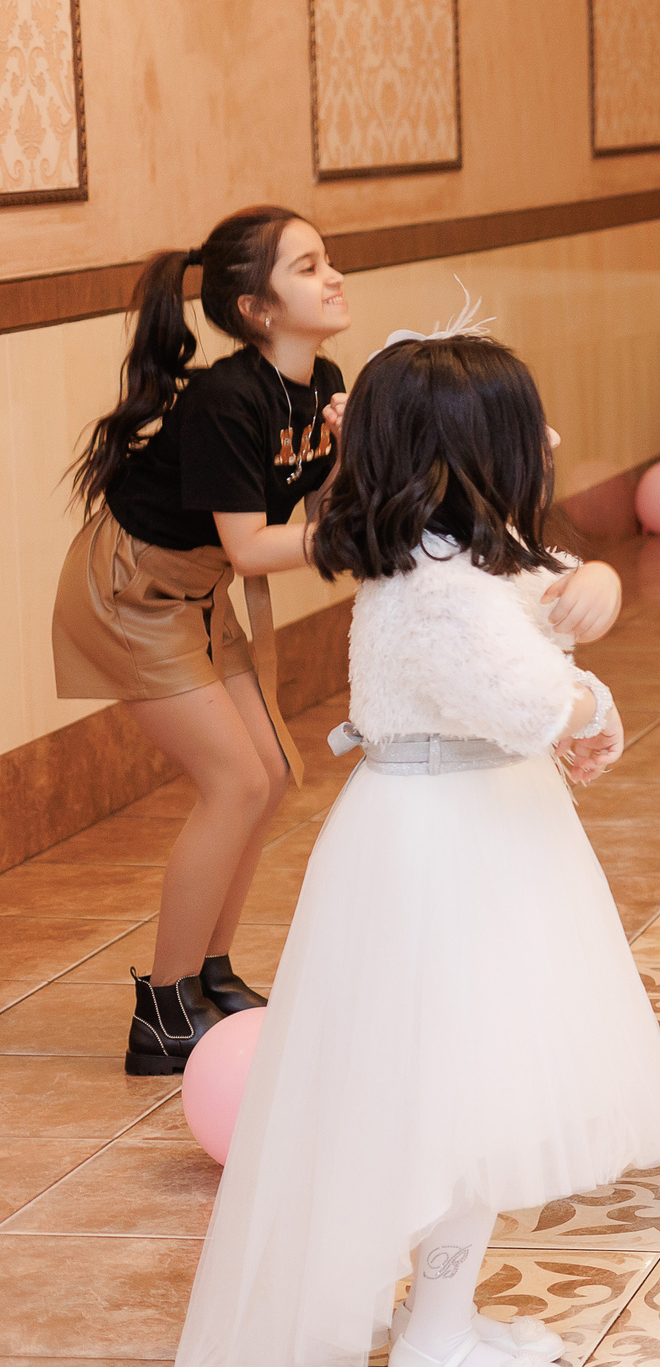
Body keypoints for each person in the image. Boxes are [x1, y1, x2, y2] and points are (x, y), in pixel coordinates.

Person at [171, 327, 660, 1367]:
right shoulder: (435, 587)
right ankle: (434, 1348)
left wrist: (595, 587)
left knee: (481, 1091)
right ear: (471, 454)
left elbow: (553, 591)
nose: (551, 440)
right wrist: (586, 702)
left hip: (482, 827)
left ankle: (442, 1319)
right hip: (441, 853)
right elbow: (526, 698)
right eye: (530, 428)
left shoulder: (462, 553)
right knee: (455, 1097)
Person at [51, 208, 616, 1076]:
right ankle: (162, 1008)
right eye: (309, 266)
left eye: (329, 260)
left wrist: (363, 465)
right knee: (235, 780)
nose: (334, 277)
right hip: (133, 589)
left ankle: (209, 971)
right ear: (257, 309)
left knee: (272, 772)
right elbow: (253, 547)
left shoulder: (326, 383)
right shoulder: (227, 398)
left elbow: (331, 509)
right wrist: (388, 524)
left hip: (198, 590)